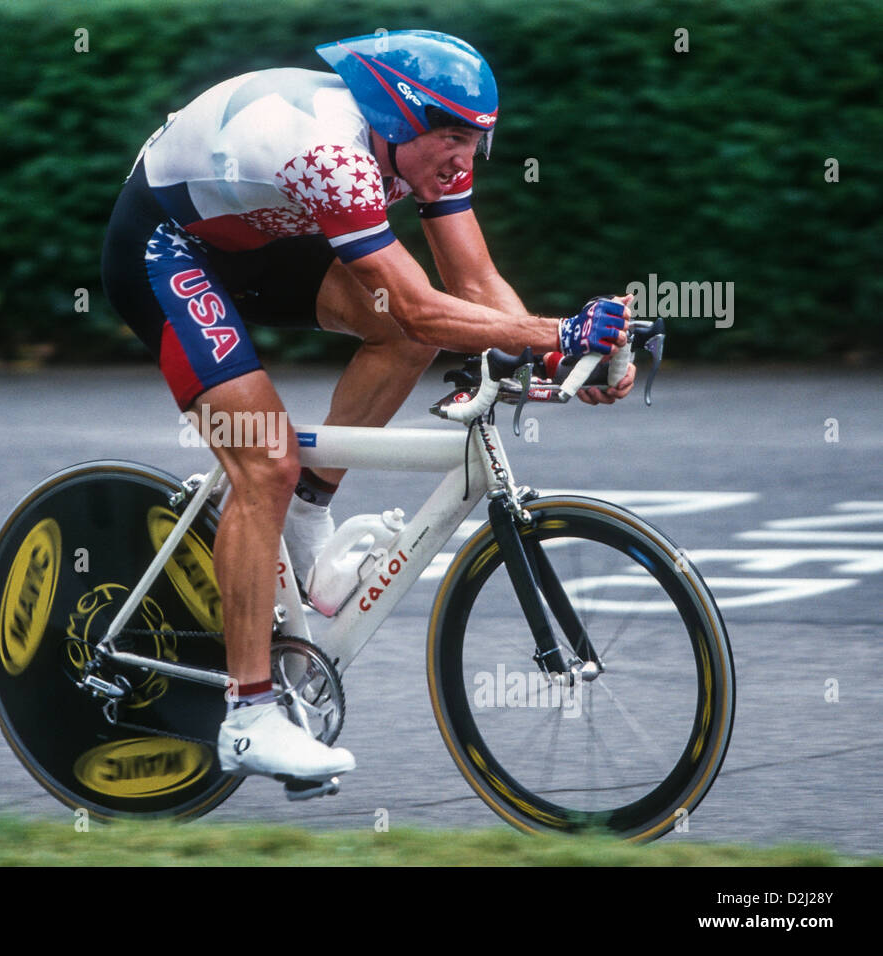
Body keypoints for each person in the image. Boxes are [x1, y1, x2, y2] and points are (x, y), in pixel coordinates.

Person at [101, 29, 634, 800]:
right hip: (166, 248)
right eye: (453, 139)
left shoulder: (416, 151)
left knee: (399, 337)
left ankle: (309, 512)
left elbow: (473, 281)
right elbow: (425, 305)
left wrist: (561, 357)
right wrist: (554, 332)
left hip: (254, 239)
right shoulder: (330, 153)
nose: (466, 160)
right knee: (265, 461)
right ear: (399, 120)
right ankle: (248, 715)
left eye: (477, 141)